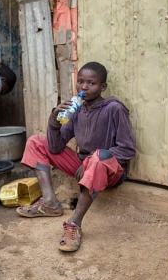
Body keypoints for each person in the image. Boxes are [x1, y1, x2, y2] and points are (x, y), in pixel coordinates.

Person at [16, 62, 136, 252]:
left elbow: (127, 150)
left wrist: (92, 159)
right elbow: (55, 147)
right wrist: (53, 122)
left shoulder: (114, 108)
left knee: (98, 158)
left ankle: (74, 224)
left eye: (91, 83)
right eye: (80, 82)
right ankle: (49, 202)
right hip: (83, 165)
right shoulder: (77, 108)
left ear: (102, 87)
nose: (84, 87)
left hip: (109, 169)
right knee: (36, 141)